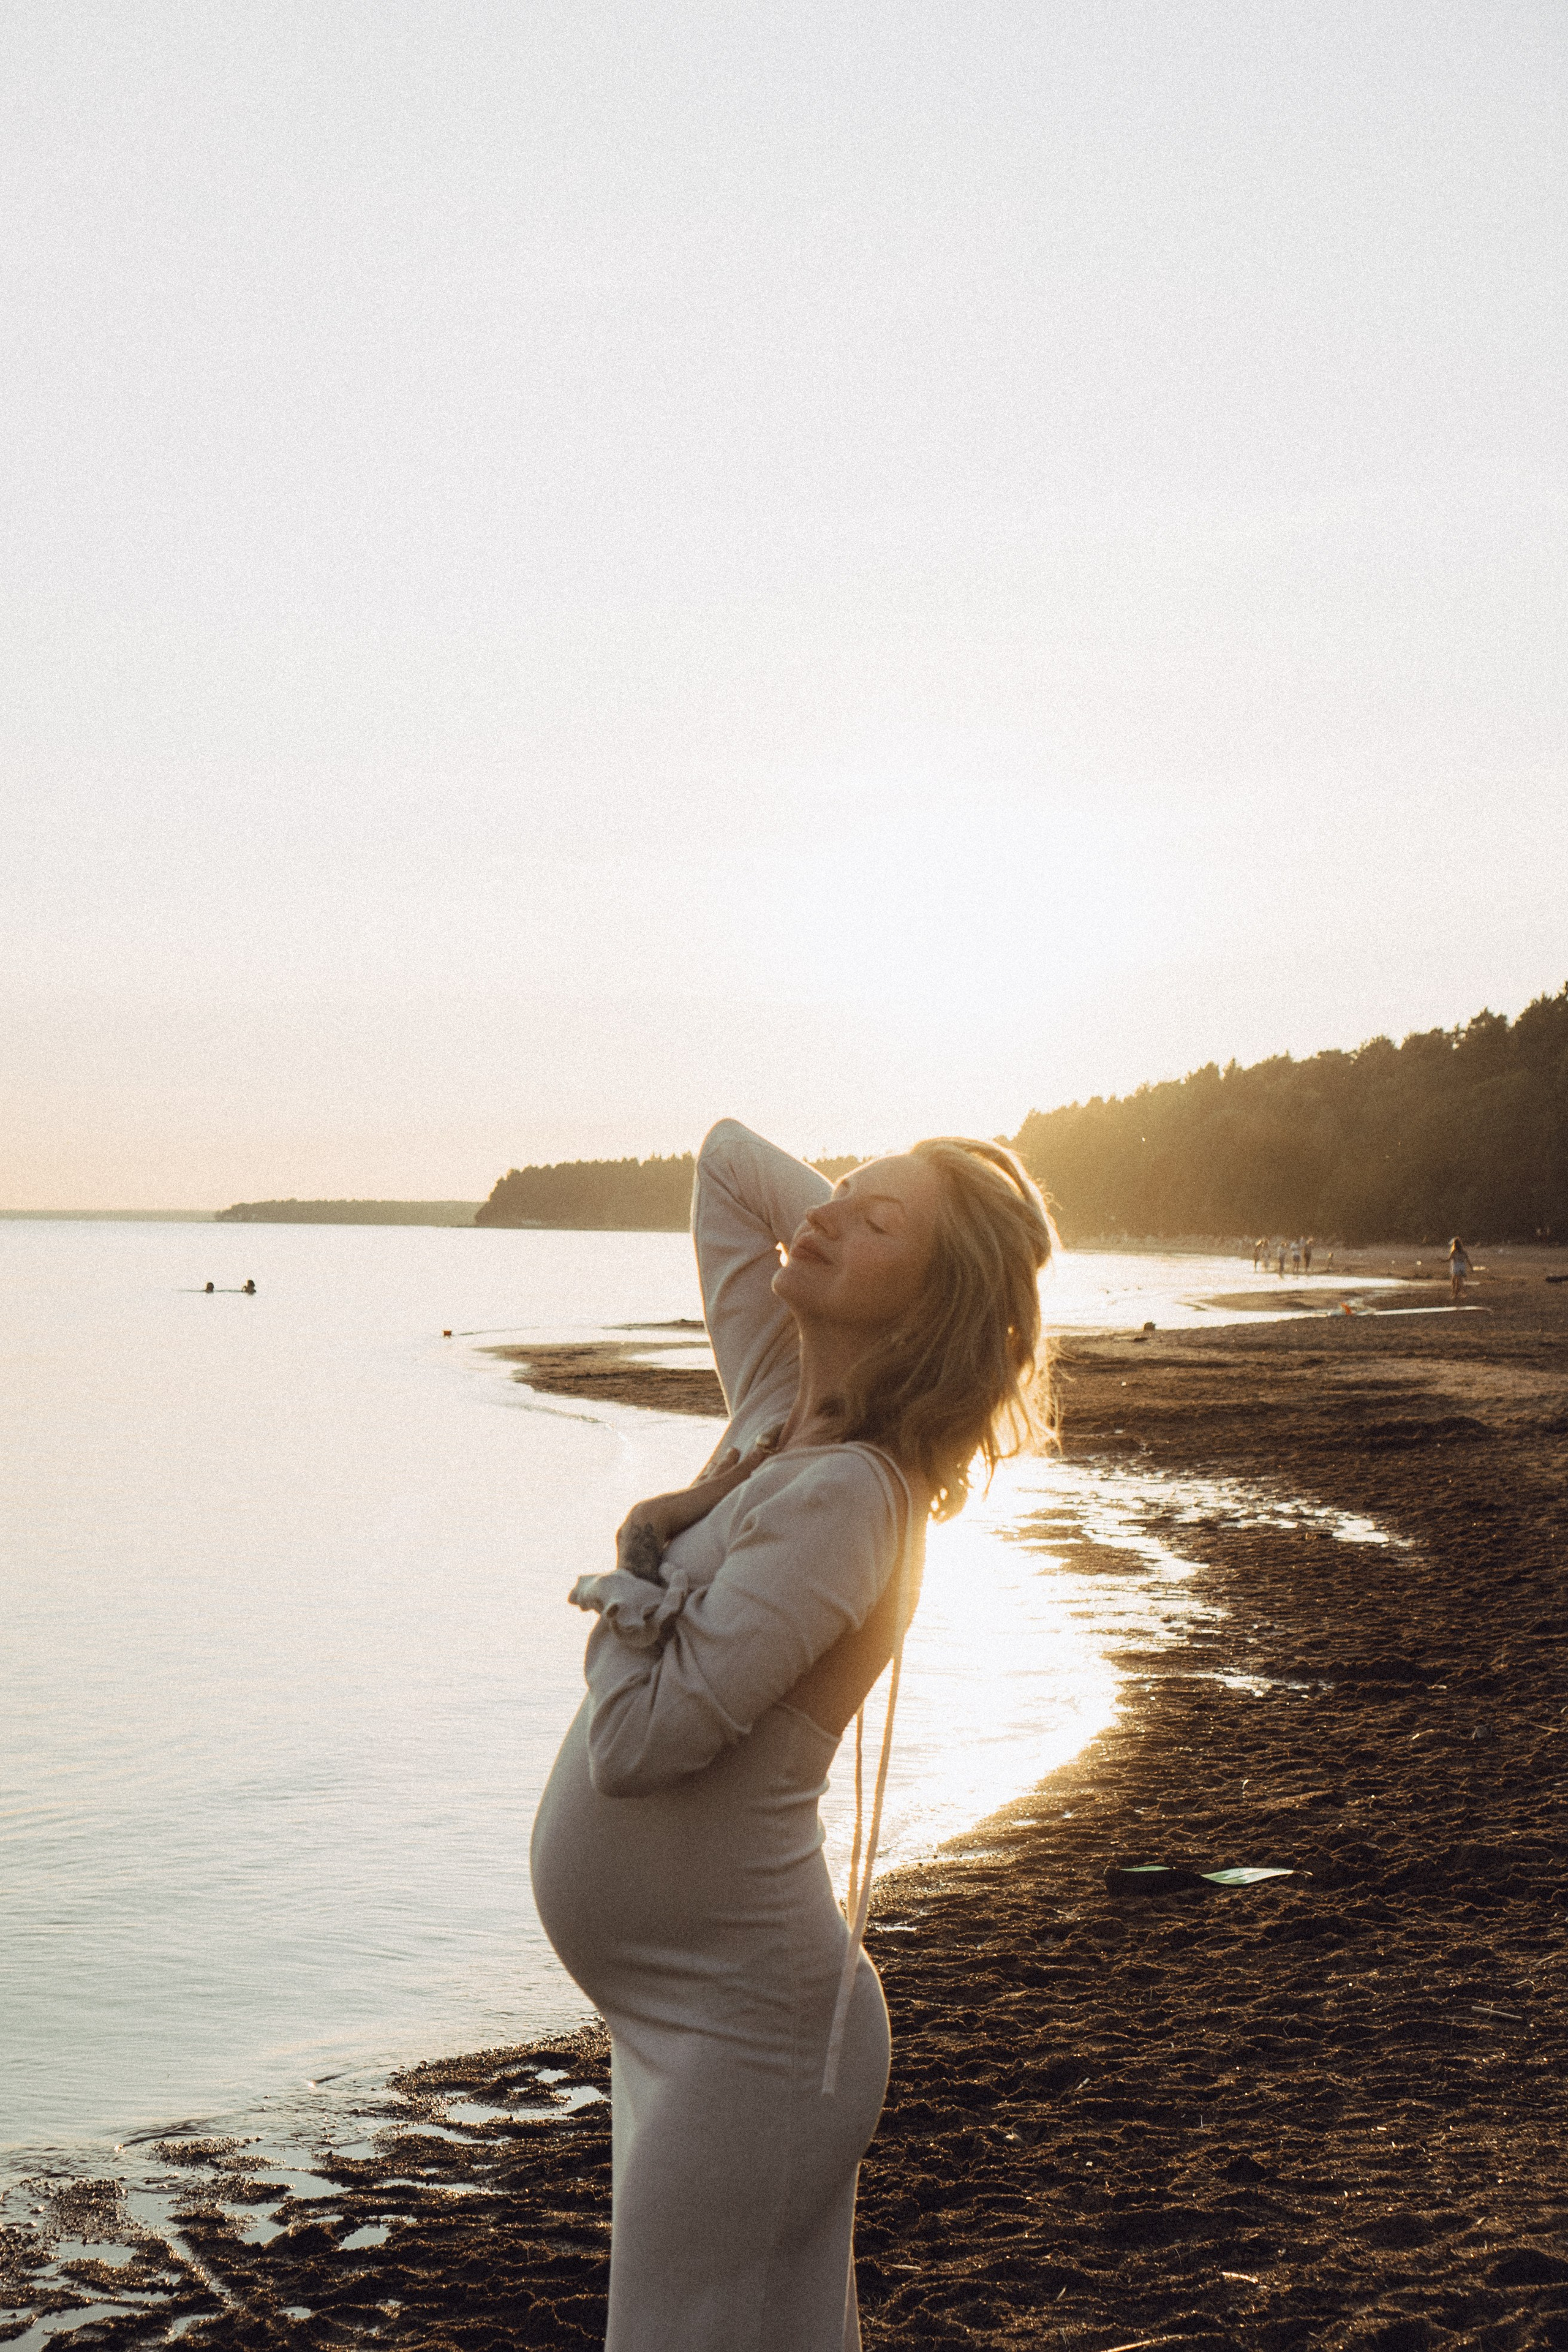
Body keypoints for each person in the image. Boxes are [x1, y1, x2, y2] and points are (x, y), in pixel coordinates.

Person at [531, 1118, 1054, 2352]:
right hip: (695, 2018)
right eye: (839, 1195)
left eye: (876, 1229)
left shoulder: (845, 1495)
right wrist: (886, 1214)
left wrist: (636, 1570)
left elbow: (639, 1746)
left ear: (931, 1306)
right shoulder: (780, 1407)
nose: (819, 1219)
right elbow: (723, 1163)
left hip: (746, 2034)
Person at [1449, 1237, 1473, 1301]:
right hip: (1462, 1267)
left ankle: (1457, 1294)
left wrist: (1442, 1260)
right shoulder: (1464, 1252)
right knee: (1460, 1281)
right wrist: (1472, 1267)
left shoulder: (1454, 1252)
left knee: (1455, 1282)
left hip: (1456, 1267)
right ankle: (1459, 1293)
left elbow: (1449, 1259)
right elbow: (1468, 1260)